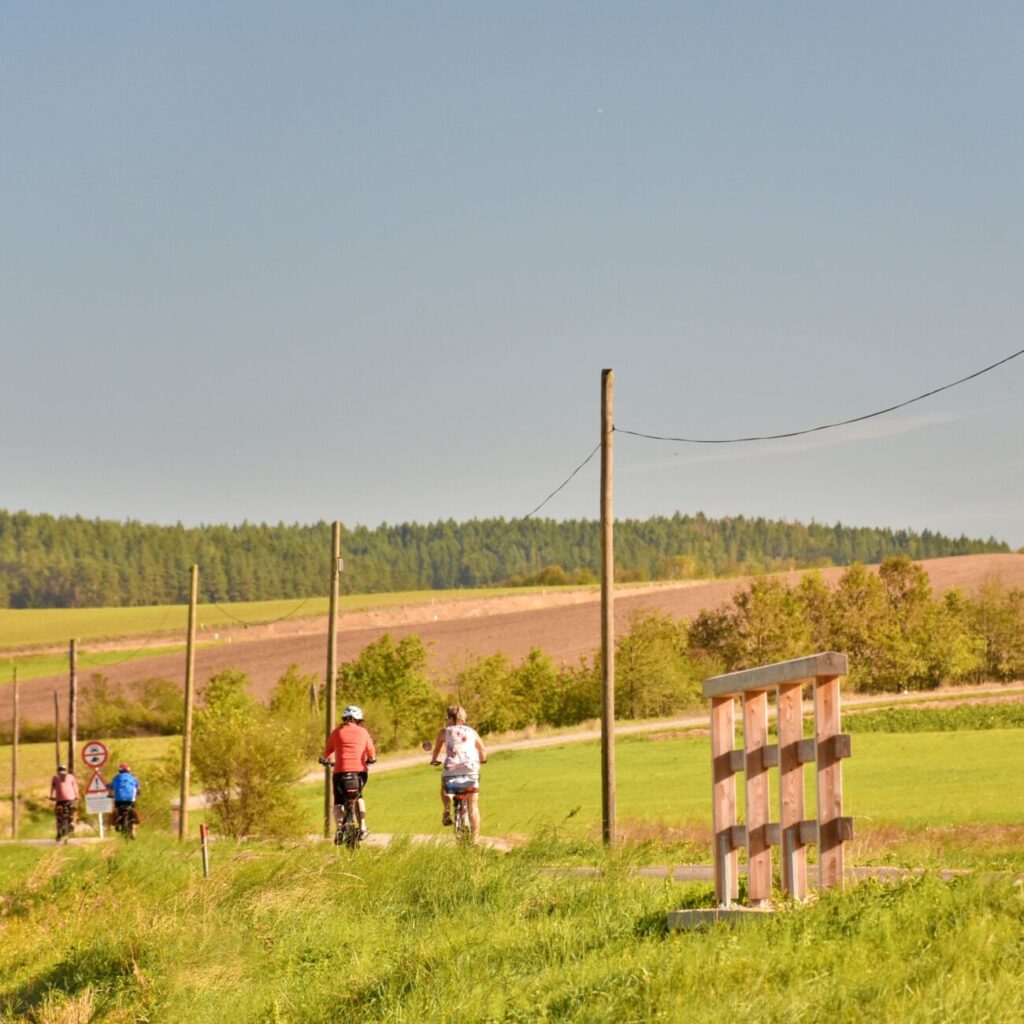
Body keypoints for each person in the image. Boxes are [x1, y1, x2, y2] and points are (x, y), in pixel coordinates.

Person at [430, 705, 487, 840]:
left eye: (447, 718)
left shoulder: (444, 732)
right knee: (473, 806)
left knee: (444, 786)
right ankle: (475, 840)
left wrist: (434, 760)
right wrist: (483, 760)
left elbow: (436, 750)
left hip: (451, 773)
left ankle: (447, 809)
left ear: (450, 718)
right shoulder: (472, 732)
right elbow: (482, 750)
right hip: (470, 772)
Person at [320, 705, 376, 842]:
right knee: (359, 796)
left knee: (338, 802)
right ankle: (363, 827)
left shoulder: (336, 732)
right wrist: (371, 759)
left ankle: (339, 830)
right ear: (359, 720)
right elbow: (371, 751)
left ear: (344, 719)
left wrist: (324, 759)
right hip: (359, 772)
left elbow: (327, 750)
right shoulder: (363, 732)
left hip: (340, 773)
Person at [108, 762, 141, 836]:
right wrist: (138, 793)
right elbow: (138, 787)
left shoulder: (116, 778)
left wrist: (110, 792)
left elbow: (111, 787)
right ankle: (133, 828)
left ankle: (115, 823)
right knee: (133, 810)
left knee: (116, 810)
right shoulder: (133, 778)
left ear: (119, 771)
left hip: (119, 800)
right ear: (128, 770)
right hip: (130, 800)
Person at [48, 764, 80, 837]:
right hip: (71, 799)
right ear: (65, 771)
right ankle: (72, 822)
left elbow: (53, 788)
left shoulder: (55, 777)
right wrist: (77, 796)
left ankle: (58, 833)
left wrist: (51, 796)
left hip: (60, 800)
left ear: (58, 771)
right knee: (74, 811)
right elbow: (75, 787)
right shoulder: (71, 776)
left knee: (58, 815)